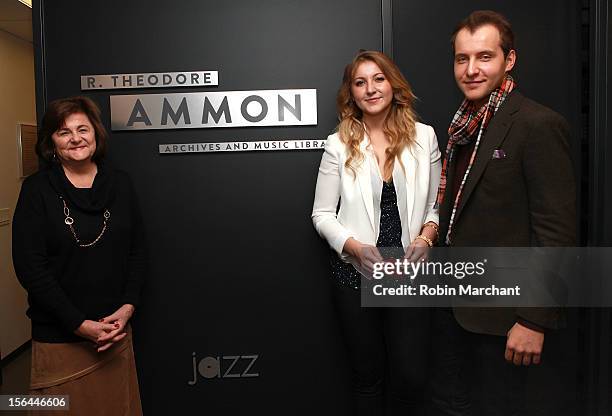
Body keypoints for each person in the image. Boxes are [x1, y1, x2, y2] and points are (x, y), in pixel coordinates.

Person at [429, 11, 576, 416]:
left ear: (509, 60)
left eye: (484, 57)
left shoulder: (537, 124)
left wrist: (533, 320)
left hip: (507, 321)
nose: (472, 70)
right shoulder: (462, 126)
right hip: (455, 310)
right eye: (462, 59)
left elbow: (557, 233)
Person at [311, 50, 441, 415]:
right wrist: (352, 246)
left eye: (378, 79)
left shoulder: (424, 137)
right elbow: (321, 214)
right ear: (351, 93)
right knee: (367, 378)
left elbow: (436, 205)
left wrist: (426, 237)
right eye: (360, 82)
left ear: (393, 83)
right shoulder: (338, 144)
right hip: (355, 274)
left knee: (411, 377)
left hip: (408, 274)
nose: (371, 89)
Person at [12, 96, 146, 415]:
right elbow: (30, 268)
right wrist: (78, 324)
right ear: (51, 143)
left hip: (113, 335)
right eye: (63, 132)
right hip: (59, 338)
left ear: (95, 134)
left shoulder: (120, 183)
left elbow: (138, 250)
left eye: (82, 129)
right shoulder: (36, 190)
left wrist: (127, 307)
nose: (75, 138)